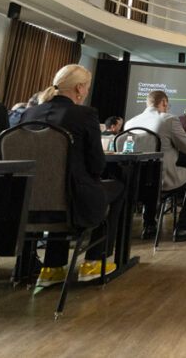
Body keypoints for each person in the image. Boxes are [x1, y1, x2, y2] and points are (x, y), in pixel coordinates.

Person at [21, 65, 125, 285]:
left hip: (28, 202)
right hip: (75, 201)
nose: (86, 92)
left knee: (60, 187)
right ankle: (95, 262)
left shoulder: (29, 113)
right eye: (86, 87)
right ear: (79, 87)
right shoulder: (84, 114)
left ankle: (52, 267)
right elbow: (97, 165)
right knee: (117, 188)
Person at [125, 90, 186, 241]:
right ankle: (183, 227)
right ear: (163, 103)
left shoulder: (130, 122)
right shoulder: (168, 119)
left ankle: (149, 226)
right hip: (164, 178)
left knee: (149, 175)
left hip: (136, 181)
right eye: (167, 105)